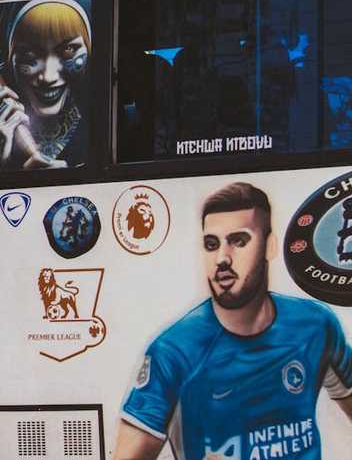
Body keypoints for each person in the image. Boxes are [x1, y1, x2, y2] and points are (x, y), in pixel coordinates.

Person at [115, 182, 352, 460]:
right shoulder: (173, 352)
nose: (222, 259)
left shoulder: (315, 324)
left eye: (239, 241)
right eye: (211, 244)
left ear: (269, 246)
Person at [0, 0, 90, 170]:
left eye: (68, 50)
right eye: (29, 54)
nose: (48, 76)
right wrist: (1, 163)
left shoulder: (107, 123)